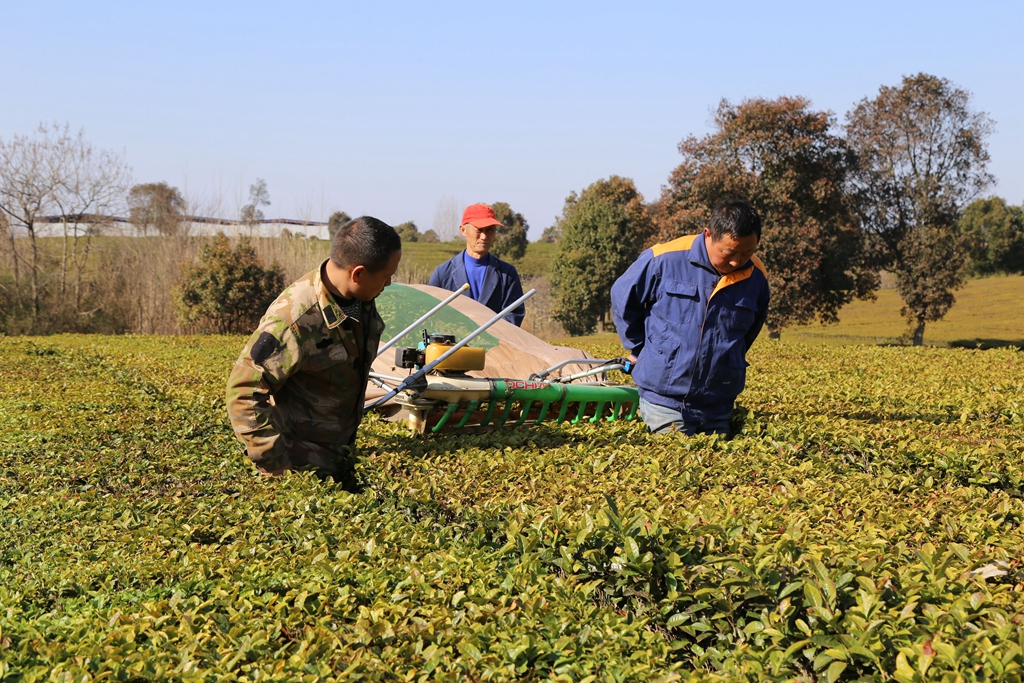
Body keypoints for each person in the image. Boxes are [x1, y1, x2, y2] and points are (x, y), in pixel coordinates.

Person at [226, 216, 402, 488]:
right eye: (386, 276)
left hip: (338, 456)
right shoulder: (294, 320)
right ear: (357, 274)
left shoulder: (358, 298)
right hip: (301, 470)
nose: (389, 283)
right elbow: (243, 393)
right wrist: (276, 464)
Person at [610, 199, 770, 436]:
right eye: (729, 252)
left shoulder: (756, 276)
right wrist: (640, 347)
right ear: (708, 234)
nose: (737, 261)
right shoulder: (663, 258)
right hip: (664, 400)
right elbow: (623, 296)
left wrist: (729, 359)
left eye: (747, 252)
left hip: (718, 403)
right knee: (675, 458)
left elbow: (750, 330)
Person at [428, 203, 526, 326]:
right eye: (479, 230)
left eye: (490, 230)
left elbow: (514, 315)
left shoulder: (507, 274)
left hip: (494, 338)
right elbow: (431, 314)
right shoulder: (443, 273)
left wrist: (488, 332)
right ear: (463, 230)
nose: (484, 237)